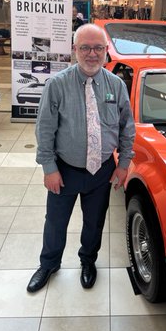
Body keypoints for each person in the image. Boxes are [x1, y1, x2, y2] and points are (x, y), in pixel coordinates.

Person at [28, 24, 134, 293]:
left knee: (95, 222)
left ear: (106, 51)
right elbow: (44, 129)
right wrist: (49, 169)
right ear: (74, 50)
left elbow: (127, 129)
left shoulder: (117, 86)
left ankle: (88, 261)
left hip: (102, 171)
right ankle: (49, 264)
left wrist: (123, 165)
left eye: (98, 48)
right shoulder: (57, 85)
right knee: (55, 221)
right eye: (85, 47)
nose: (91, 54)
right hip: (65, 170)